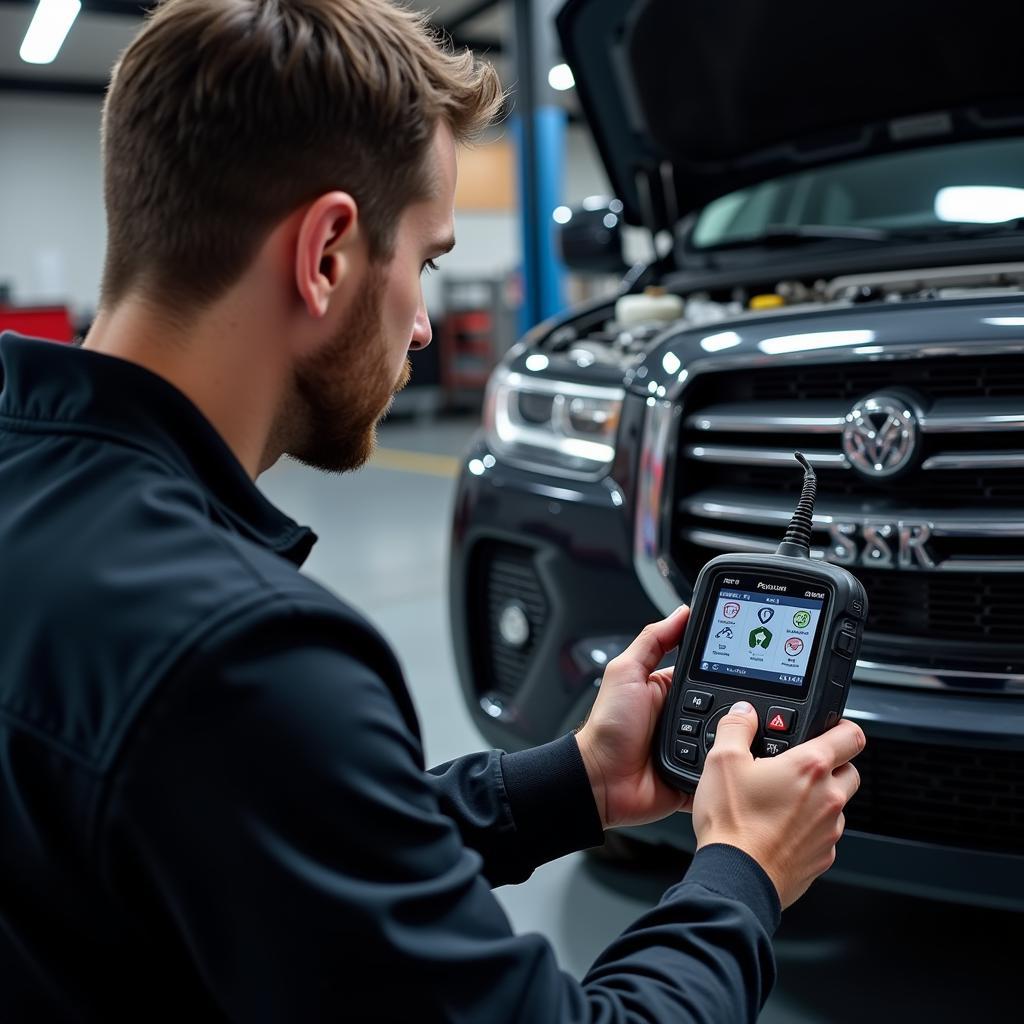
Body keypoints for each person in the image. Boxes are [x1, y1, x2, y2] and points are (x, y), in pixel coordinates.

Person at [0, 1, 864, 1020]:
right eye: (427, 261)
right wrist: (740, 871)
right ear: (325, 253)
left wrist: (574, 779)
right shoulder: (240, 657)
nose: (420, 324)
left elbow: (286, 841)